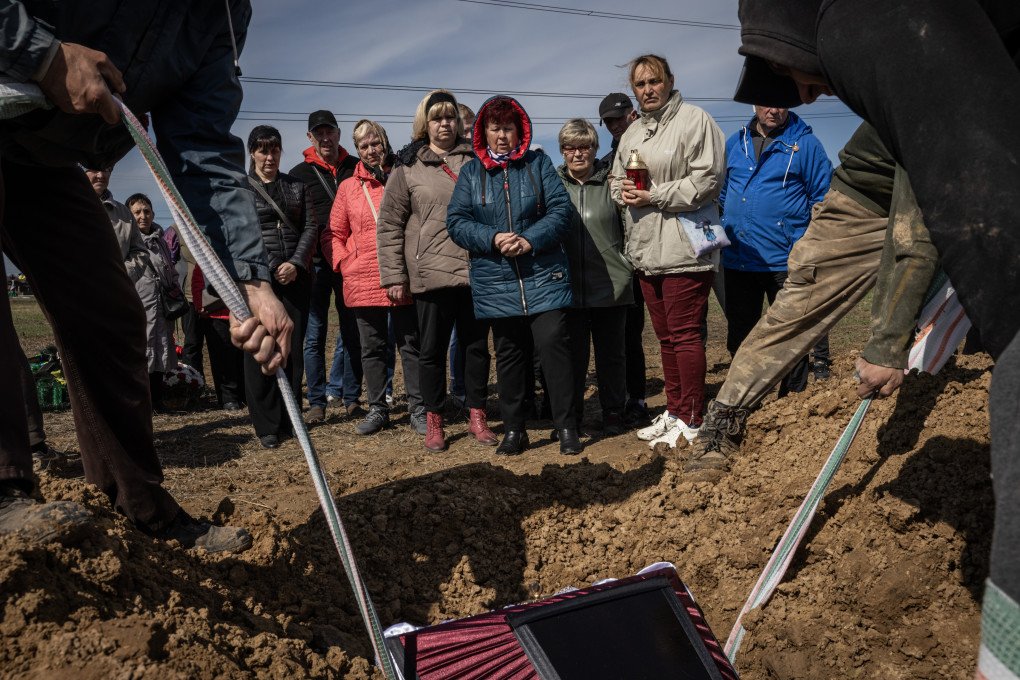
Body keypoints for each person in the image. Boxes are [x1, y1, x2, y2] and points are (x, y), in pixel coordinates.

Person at [732, 4, 1020, 678]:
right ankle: (726, 416)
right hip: (868, 190)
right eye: (797, 89)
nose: (813, 95)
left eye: (800, 85)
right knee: (797, 303)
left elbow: (922, 219)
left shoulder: (880, 24)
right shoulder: (872, 33)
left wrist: (890, 343)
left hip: (917, 186)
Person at [0, 0, 292, 554]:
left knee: (109, 312)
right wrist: (42, 55)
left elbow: (203, 153)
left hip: (39, 153)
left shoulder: (220, 13)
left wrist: (251, 282)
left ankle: (139, 507)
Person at [447, 95, 580, 456]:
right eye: (495, 128)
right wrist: (492, 238)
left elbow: (560, 210)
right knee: (509, 356)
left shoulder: (538, 164)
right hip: (497, 281)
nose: (502, 135)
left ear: (519, 130)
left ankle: (567, 426)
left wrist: (530, 240)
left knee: (553, 347)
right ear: (483, 132)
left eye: (508, 127)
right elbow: (457, 222)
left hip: (544, 275)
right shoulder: (472, 173)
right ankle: (515, 430)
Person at [610, 54, 726, 450]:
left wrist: (654, 194)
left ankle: (693, 417)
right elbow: (615, 177)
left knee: (685, 334)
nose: (647, 90)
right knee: (664, 338)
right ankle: (676, 411)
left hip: (683, 246)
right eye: (640, 85)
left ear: (670, 80)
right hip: (646, 250)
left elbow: (708, 179)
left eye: (654, 81)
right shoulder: (632, 133)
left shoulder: (695, 120)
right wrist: (623, 192)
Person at [377, 90, 495, 451]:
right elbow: (389, 224)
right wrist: (394, 276)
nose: (444, 124)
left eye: (449, 117)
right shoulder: (407, 166)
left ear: (458, 122)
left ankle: (477, 415)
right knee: (431, 351)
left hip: (476, 269)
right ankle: (434, 421)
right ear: (424, 123)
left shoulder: (478, 160)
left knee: (476, 348)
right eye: (436, 118)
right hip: (430, 273)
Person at [720, 105, 832, 393]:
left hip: (786, 260)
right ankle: (743, 402)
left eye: (781, 102)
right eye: (766, 101)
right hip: (739, 259)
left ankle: (792, 405)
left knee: (790, 338)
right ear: (754, 103)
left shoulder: (805, 145)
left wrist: (807, 246)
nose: (774, 109)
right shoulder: (735, 142)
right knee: (740, 337)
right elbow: (722, 193)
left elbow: (822, 199)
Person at [327, 120, 423, 435]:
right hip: (363, 277)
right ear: (357, 151)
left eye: (375, 143)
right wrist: (345, 262)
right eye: (364, 146)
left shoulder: (402, 175)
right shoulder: (347, 188)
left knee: (410, 344)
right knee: (372, 347)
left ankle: (418, 409)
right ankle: (378, 409)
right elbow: (333, 233)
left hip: (401, 274)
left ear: (384, 142)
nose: (371, 150)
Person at [556, 118, 633, 435]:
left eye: (584, 146)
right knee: (571, 359)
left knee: (611, 356)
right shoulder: (554, 186)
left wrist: (628, 263)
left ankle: (614, 412)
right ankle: (570, 417)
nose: (578, 154)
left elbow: (632, 226)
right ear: (562, 151)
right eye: (570, 148)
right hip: (567, 288)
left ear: (594, 148)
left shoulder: (612, 184)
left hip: (611, 284)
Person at [244, 125, 317, 449]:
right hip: (260, 281)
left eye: (274, 149)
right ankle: (267, 425)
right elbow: (247, 233)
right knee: (260, 349)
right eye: (262, 150)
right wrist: (275, 265)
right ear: (252, 153)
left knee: (292, 350)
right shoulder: (242, 190)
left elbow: (311, 226)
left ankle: (290, 419)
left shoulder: (296, 186)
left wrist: (296, 263)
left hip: (296, 279)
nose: (269, 156)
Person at [288, 110, 362, 423]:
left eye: (329, 132)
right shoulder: (298, 175)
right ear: (310, 138)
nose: (325, 138)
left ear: (338, 133)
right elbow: (293, 222)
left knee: (352, 332)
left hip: (349, 264)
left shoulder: (355, 167)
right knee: (315, 335)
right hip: (315, 266)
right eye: (319, 133)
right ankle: (317, 402)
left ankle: (351, 398)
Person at [598, 91, 649, 426]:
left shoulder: (648, 149)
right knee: (627, 333)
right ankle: (628, 399)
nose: (616, 125)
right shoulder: (606, 164)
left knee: (662, 332)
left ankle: (642, 399)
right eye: (609, 121)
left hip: (652, 248)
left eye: (620, 117)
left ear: (633, 114)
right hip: (622, 257)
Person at [126, 192, 182, 411]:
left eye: (147, 211)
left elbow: (172, 269)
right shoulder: (127, 242)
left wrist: (173, 288)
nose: (143, 216)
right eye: (137, 212)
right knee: (142, 351)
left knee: (161, 350)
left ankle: (157, 401)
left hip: (161, 308)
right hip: (139, 307)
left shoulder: (162, 242)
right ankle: (142, 403)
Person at [191, 265, 245, 411]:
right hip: (216, 315)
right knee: (221, 358)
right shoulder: (207, 256)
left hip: (240, 313)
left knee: (241, 356)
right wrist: (199, 303)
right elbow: (198, 279)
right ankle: (228, 398)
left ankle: (243, 394)